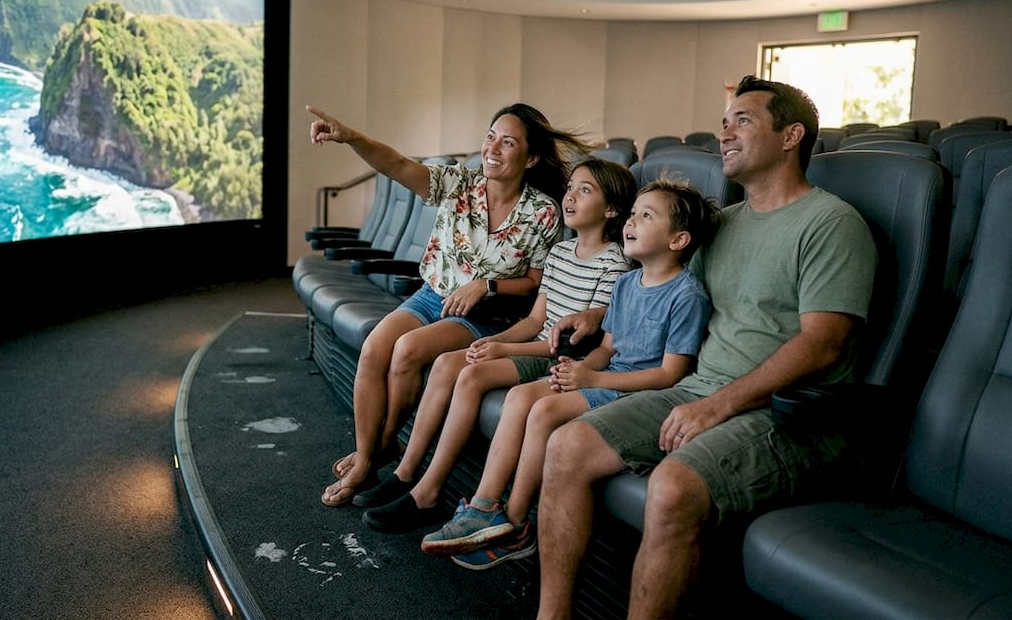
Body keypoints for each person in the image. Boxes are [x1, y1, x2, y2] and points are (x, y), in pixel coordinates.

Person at [533, 75, 878, 619]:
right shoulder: (722, 225)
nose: (725, 133)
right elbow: (668, 291)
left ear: (791, 136)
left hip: (789, 413)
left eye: (743, 121)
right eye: (723, 123)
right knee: (566, 446)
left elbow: (823, 344)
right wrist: (596, 315)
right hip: (700, 389)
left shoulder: (831, 223)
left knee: (672, 486)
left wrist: (718, 405)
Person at [416, 177, 721, 570]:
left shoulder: (686, 295)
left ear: (678, 240)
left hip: (637, 394)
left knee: (544, 411)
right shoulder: (627, 284)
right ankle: (485, 506)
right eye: (633, 214)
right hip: (605, 376)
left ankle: (516, 523)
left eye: (647, 216)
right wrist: (578, 369)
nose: (631, 222)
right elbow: (608, 349)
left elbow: (669, 376)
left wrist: (593, 379)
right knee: (521, 396)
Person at [307, 103, 596, 507]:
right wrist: (352, 137)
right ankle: (370, 454)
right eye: (491, 136)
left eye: (508, 142)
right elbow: (396, 165)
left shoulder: (543, 212)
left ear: (530, 158)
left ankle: (377, 452)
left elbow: (534, 281)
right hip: (433, 296)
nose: (493, 148)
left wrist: (486, 285)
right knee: (374, 348)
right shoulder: (460, 183)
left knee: (407, 349)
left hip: (487, 313)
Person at [354, 157, 639, 524]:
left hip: (562, 358)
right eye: (570, 188)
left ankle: (428, 492)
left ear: (612, 209)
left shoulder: (614, 264)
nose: (570, 197)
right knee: (449, 362)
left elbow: (569, 343)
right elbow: (535, 321)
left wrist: (504, 349)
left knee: (472, 375)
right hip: (534, 344)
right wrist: (493, 343)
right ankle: (406, 472)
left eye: (585, 191)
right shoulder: (560, 253)